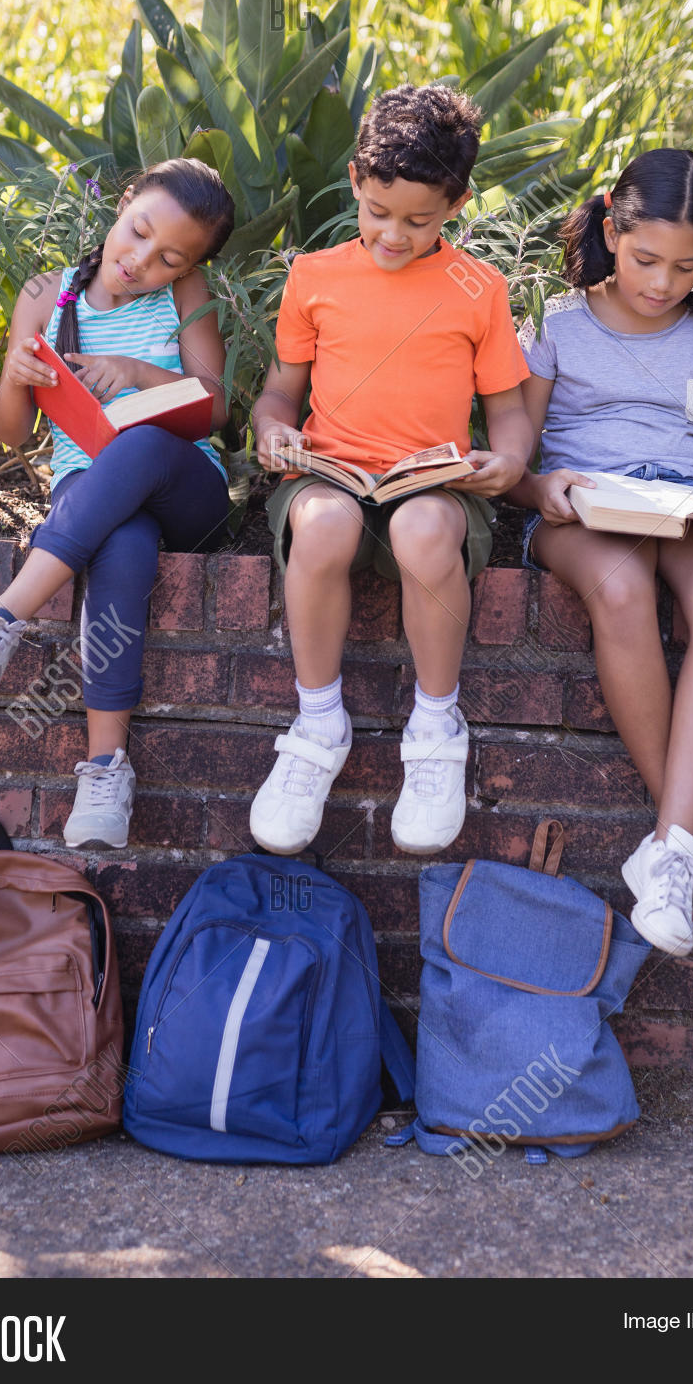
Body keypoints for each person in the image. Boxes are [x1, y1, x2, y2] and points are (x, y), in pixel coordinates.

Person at [249, 83, 532, 857]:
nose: (393, 235)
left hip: (432, 484)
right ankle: (317, 724)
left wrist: (505, 462)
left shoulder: (481, 289)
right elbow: (280, 390)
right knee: (327, 522)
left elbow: (507, 413)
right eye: (379, 213)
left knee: (423, 528)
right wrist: (274, 431)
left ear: (458, 202)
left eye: (419, 220)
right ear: (354, 183)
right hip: (328, 476)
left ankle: (437, 727)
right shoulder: (315, 277)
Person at [506, 147, 693, 955]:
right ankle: (691, 838)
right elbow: (512, 462)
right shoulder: (555, 327)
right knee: (621, 589)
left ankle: (669, 846)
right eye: (646, 258)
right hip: (586, 502)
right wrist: (541, 489)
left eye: (686, 267)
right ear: (612, 230)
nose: (662, 283)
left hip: (688, 499)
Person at [0, 158, 235, 850]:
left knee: (136, 445)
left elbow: (217, 404)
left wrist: (133, 374)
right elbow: (10, 434)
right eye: (137, 233)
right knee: (123, 543)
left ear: (189, 266)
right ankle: (105, 770)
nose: (141, 261)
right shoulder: (47, 293)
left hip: (188, 486)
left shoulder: (185, 293)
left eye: (169, 259)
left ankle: (4, 616)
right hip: (89, 495)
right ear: (123, 204)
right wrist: (15, 376)